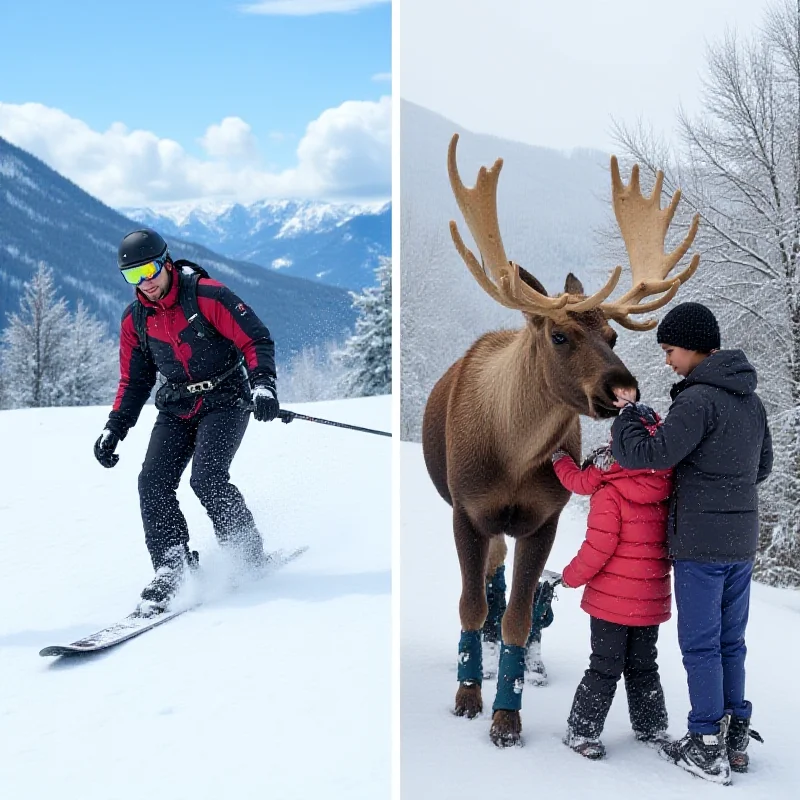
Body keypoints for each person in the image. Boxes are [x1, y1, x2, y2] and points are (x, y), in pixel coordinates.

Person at [611, 302, 772, 786]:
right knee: (730, 643)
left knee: (700, 645)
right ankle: (734, 733)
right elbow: (762, 468)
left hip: (701, 546)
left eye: (670, 350)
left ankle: (704, 743)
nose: (667, 361)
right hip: (741, 543)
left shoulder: (699, 399)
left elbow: (646, 455)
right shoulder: (751, 399)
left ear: (697, 347)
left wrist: (627, 416)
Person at [93, 228, 284, 615]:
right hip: (177, 404)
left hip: (226, 397)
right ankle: (172, 566)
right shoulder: (136, 321)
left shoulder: (206, 295)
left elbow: (256, 339)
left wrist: (263, 385)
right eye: (133, 276)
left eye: (148, 270)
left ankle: (246, 552)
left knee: (207, 477)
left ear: (165, 262)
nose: (144, 283)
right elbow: (134, 380)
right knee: (152, 481)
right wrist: (115, 427)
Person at [551, 403, 673, 761]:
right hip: (650, 597)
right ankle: (651, 726)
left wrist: (571, 577)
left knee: (604, 666)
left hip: (610, 601)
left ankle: (582, 730)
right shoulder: (670, 480)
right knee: (643, 665)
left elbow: (599, 546)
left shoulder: (609, 484)